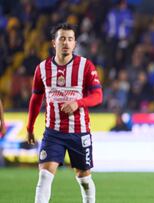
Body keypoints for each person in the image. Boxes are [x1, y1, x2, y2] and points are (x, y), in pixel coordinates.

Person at [26, 23, 102, 203]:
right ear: (54, 43)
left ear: (75, 43)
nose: (66, 43)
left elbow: (98, 96)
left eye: (70, 39)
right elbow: (36, 99)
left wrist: (78, 102)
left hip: (79, 132)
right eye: (62, 38)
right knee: (44, 177)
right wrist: (30, 127)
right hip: (53, 132)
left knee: (84, 178)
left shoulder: (85, 66)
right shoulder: (42, 69)